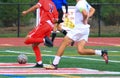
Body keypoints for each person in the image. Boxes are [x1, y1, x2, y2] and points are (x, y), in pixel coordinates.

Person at [46, 0, 108, 69]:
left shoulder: (80, 4)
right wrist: (87, 17)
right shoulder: (84, 2)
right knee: (80, 50)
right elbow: (93, 9)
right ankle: (102, 52)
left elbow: (84, 13)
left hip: (79, 29)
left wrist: (85, 18)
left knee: (64, 43)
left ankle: (54, 64)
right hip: (85, 29)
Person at [22, 0, 58, 67]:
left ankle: (44, 40)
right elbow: (56, 20)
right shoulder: (53, 5)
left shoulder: (43, 0)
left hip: (44, 24)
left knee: (26, 40)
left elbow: (36, 7)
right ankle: (39, 62)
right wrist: (54, 30)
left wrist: (26, 12)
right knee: (34, 45)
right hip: (50, 27)